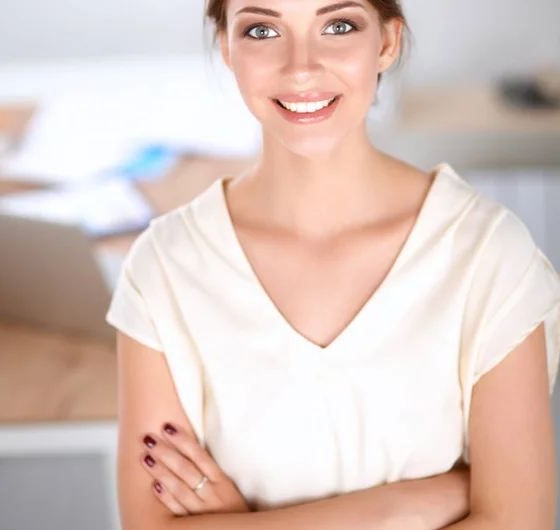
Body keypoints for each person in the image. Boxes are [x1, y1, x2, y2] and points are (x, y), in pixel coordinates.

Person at [105, 1, 560, 528]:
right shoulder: (165, 267)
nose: (302, 67)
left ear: (386, 44)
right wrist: (402, 507)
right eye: (262, 29)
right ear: (228, 48)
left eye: (338, 26)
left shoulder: (488, 254)